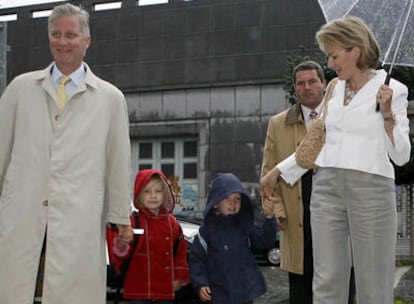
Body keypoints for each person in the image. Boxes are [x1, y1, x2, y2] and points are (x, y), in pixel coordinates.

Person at [261, 17, 411, 304]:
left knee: (373, 282)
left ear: (354, 49)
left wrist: (388, 114)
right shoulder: (334, 89)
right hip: (327, 187)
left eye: (334, 55)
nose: (330, 63)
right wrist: (277, 172)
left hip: (371, 188)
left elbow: (401, 156)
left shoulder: (394, 90)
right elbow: (314, 143)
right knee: (326, 281)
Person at [0, 3, 132, 304]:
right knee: (13, 288)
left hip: (79, 216)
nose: (62, 42)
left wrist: (120, 216)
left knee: (74, 290)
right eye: (56, 34)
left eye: (71, 34)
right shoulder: (20, 89)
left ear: (86, 41)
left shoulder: (110, 99)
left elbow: (118, 161)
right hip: (21, 212)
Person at [261, 61, 326, 304]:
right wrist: (277, 210)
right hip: (296, 219)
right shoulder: (278, 124)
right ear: (295, 88)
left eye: (312, 81)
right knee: (301, 291)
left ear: (324, 84)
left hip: (335, 211)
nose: (307, 87)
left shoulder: (338, 117)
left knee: (338, 283)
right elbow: (268, 172)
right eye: (301, 83)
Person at [189, 173, 277, 304]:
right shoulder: (206, 231)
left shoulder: (245, 226)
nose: (233, 203)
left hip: (243, 294)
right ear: (215, 203)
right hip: (218, 294)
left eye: (237, 198)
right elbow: (196, 260)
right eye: (226, 198)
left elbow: (265, 241)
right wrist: (201, 283)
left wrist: (269, 218)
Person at [108, 169, 190, 304]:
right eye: (147, 191)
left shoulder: (173, 224)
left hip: (165, 289)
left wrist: (179, 278)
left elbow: (180, 254)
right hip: (138, 289)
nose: (153, 196)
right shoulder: (132, 222)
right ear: (139, 195)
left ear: (166, 194)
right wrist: (122, 243)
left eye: (158, 191)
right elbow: (121, 253)